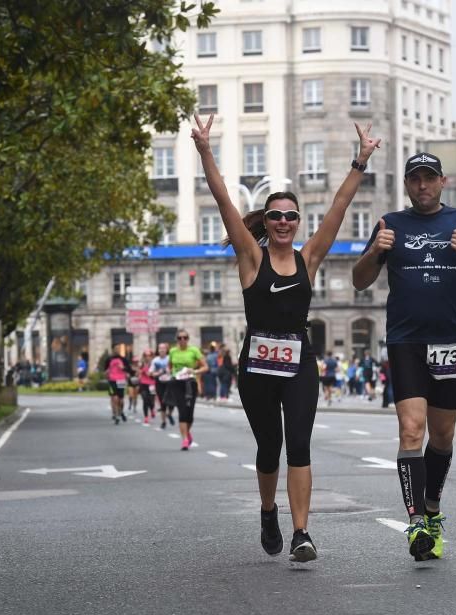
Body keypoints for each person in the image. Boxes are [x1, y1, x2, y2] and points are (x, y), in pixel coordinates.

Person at [193, 113, 380, 562]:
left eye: (290, 216)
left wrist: (360, 161)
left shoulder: (309, 258)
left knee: (299, 441)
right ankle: (267, 510)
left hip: (298, 362)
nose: (282, 221)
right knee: (268, 446)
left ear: (297, 222)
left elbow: (337, 209)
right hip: (257, 364)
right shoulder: (251, 259)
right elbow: (222, 202)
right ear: (267, 221)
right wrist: (205, 151)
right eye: (275, 215)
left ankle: (301, 532)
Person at [352, 150, 456, 561]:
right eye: (415, 179)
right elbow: (360, 281)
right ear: (406, 184)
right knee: (411, 431)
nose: (422, 185)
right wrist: (375, 252)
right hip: (405, 341)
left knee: (442, 436)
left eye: (429, 178)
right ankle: (417, 520)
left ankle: (432, 508)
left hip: (450, 343)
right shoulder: (391, 224)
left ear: (442, 182)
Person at [167, 329, 207, 449]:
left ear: (188, 339)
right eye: (179, 338)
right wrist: (173, 374)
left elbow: (205, 367)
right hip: (177, 383)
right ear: (177, 340)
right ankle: (184, 439)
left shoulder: (193, 350)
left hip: (190, 383)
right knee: (182, 410)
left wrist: (194, 371)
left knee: (189, 413)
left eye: (185, 338)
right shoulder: (173, 351)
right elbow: (170, 366)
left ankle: (187, 432)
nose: (182, 340)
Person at [149, 342, 175, 429]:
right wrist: (158, 373)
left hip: (170, 382)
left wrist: (171, 371)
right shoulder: (155, 360)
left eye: (164, 348)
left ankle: (169, 414)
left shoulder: (170, 358)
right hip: (160, 383)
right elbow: (150, 373)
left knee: (172, 402)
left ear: (166, 350)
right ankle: (163, 422)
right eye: (160, 348)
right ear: (158, 350)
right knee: (163, 402)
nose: (162, 350)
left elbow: (175, 368)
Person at [106, 344, 130, 424]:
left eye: (118, 349)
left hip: (121, 380)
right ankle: (116, 415)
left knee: (121, 400)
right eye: (116, 348)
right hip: (112, 380)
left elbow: (129, 369)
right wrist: (107, 373)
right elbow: (105, 370)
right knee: (115, 398)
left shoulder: (123, 359)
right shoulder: (109, 359)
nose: (117, 350)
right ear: (113, 350)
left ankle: (121, 412)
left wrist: (123, 368)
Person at [138, 349, 157, 425]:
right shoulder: (142, 364)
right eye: (146, 355)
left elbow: (156, 373)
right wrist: (140, 372)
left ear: (152, 356)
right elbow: (138, 373)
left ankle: (152, 409)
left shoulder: (155, 364)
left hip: (152, 384)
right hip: (143, 384)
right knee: (145, 399)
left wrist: (151, 374)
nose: (147, 357)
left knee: (151, 400)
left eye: (149, 356)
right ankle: (146, 417)